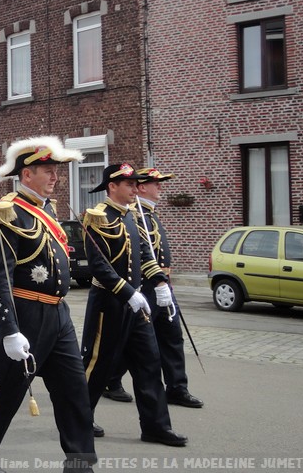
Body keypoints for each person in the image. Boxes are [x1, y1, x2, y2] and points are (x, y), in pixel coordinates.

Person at [0, 137, 96, 473]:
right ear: (27, 175)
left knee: (74, 389)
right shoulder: (10, 212)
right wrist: (9, 329)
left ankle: (79, 460)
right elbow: (0, 277)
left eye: (56, 170)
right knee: (7, 389)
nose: (55, 177)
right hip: (26, 315)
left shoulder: (46, 209)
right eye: (48, 171)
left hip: (58, 312)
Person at [80, 163, 186, 447]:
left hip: (137, 303)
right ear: (112, 186)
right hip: (110, 302)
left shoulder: (132, 216)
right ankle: (80, 419)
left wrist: (160, 283)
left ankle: (155, 427)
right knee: (96, 365)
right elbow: (99, 265)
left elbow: (143, 255)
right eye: (128, 185)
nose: (133, 189)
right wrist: (127, 292)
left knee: (149, 363)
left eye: (134, 184)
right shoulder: (97, 217)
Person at [102, 168, 203, 408]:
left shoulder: (150, 214)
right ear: (143, 187)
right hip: (147, 286)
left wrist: (164, 283)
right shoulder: (136, 215)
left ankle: (177, 387)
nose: (160, 188)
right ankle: (110, 380)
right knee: (131, 338)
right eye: (155, 184)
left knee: (171, 336)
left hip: (162, 285)